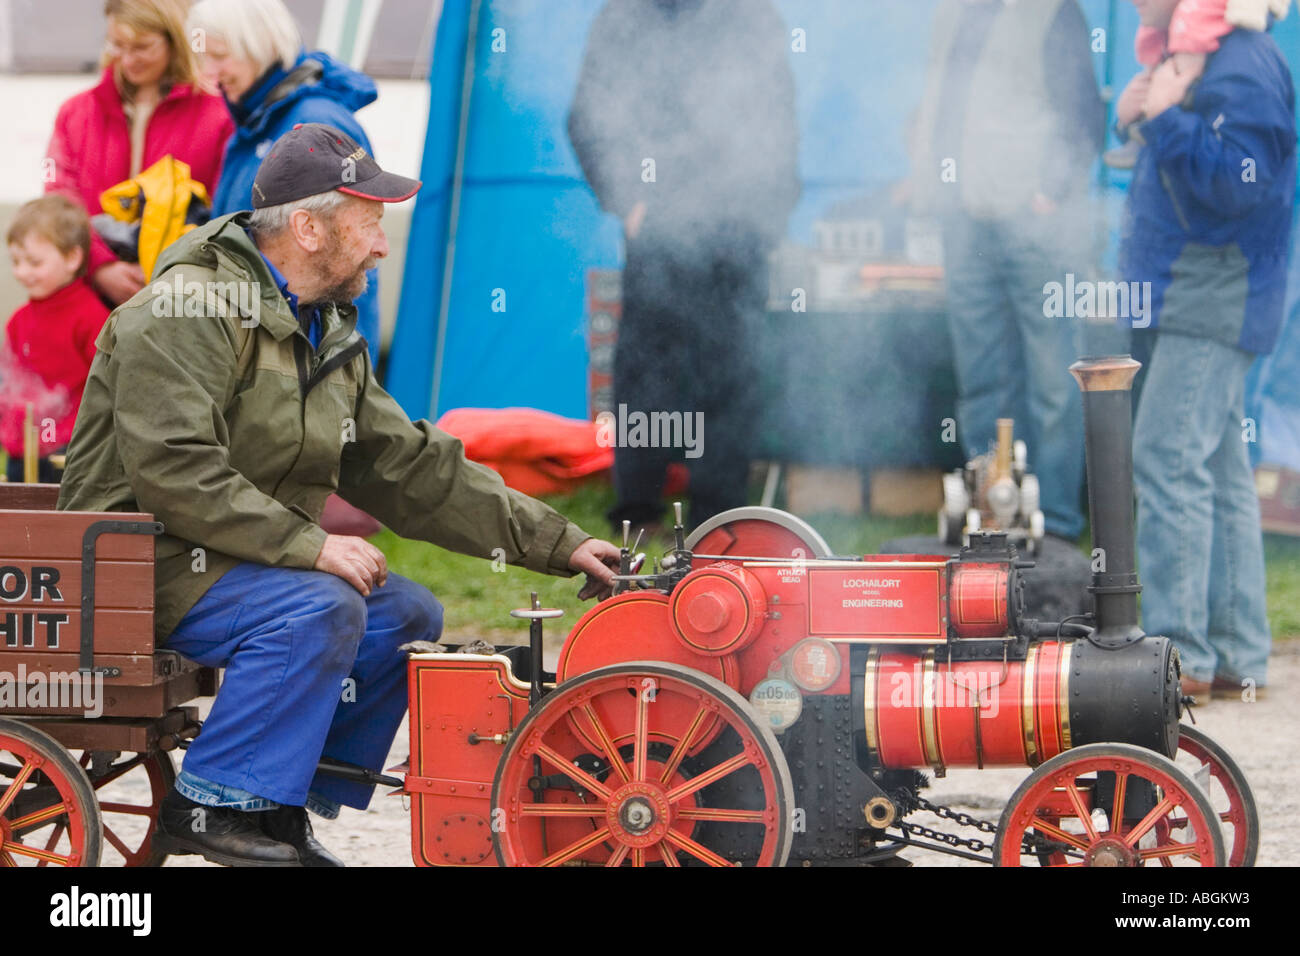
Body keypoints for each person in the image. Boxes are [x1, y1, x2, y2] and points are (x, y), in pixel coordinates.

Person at [57, 124, 622, 866]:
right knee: (320, 605)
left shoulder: (322, 329)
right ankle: (209, 806)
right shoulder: (184, 311)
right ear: (308, 228)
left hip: (233, 555)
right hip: (142, 560)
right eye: (369, 224)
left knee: (407, 613)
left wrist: (560, 540)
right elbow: (176, 472)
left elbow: (412, 466)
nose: (382, 246)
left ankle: (278, 805)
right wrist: (312, 546)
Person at [1115, 0, 1296, 699]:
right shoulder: (1195, 52)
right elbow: (1179, 168)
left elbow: (1235, 185)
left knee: (1165, 457)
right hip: (1192, 292)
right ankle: (1238, 657)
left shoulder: (1244, 66)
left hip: (1212, 297)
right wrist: (1135, 116)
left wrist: (1165, 119)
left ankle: (1182, 656)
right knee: (1218, 472)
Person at [567, 0, 800, 536]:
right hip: (661, 226)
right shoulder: (625, 16)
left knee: (732, 370)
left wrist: (770, 216)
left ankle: (718, 521)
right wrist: (628, 200)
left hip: (740, 228)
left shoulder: (753, 16)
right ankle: (639, 511)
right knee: (650, 370)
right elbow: (588, 115)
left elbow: (779, 118)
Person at [908, 0, 1104, 543]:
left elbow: (1084, 114)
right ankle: (991, 519)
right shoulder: (950, 13)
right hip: (965, 222)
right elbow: (941, 104)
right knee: (980, 379)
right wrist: (931, 183)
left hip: (1033, 222)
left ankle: (1058, 523)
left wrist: (1049, 192)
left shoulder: (1053, 11)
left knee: (1053, 381)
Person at [189, 0, 384, 361]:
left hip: (305, 358)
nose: (210, 73)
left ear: (260, 42)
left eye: (220, 55)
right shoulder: (251, 128)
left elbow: (349, 253)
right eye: (204, 57)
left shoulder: (315, 125)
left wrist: (335, 371)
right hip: (254, 347)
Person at [44, 0, 233, 306]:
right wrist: (100, 267)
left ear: (175, 41)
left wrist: (170, 273)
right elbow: (58, 197)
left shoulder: (218, 114)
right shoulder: (75, 113)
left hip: (182, 300)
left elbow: (225, 211)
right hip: (90, 297)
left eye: (142, 47)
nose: (128, 59)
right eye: (118, 45)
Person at [1106, 0, 1291, 168]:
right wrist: (1131, 124)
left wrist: (1165, 119)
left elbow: (1245, 185)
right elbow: (1168, 174)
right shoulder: (1171, 39)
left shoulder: (1244, 62)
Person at [1, 196, 110, 483]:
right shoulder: (18, 321)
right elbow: (9, 382)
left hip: (68, 453)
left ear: (72, 258)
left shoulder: (92, 318)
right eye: (15, 261)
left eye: (34, 262)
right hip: (20, 453)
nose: (22, 272)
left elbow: (106, 389)